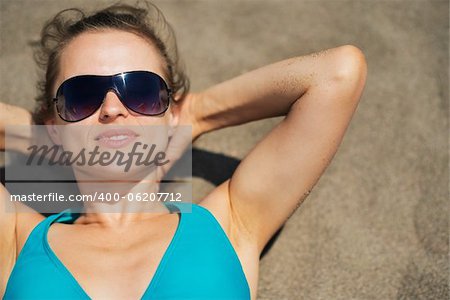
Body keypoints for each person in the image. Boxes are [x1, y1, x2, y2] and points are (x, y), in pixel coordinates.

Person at [0, 1, 367, 299]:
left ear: (171, 112)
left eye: (141, 91)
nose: (112, 109)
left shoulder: (231, 221)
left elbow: (337, 74)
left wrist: (195, 113)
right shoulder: (15, 237)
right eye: (81, 98)